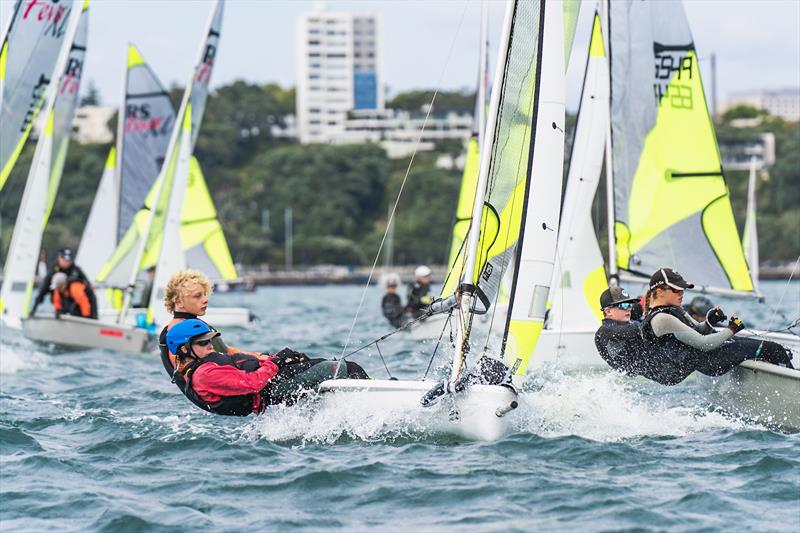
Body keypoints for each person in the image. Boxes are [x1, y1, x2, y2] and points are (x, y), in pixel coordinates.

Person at [165, 319, 369, 416]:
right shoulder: (205, 375)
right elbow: (252, 383)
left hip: (274, 380)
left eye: (210, 340)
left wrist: (279, 359)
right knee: (335, 369)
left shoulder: (209, 361)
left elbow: (248, 367)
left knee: (344, 366)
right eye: (203, 343)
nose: (209, 345)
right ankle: (372, 399)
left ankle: (371, 389)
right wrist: (276, 362)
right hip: (270, 391)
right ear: (184, 349)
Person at [638, 268, 793, 385]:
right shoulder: (661, 318)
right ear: (659, 291)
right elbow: (704, 343)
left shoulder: (673, 309)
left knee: (768, 348)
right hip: (709, 360)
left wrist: (709, 322)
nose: (681, 293)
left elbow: (696, 331)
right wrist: (732, 329)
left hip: (706, 357)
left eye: (682, 289)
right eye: (676, 289)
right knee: (774, 349)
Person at [594, 286, 646, 375]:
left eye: (630, 305)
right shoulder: (605, 330)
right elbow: (628, 332)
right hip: (634, 381)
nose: (629, 309)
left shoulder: (629, 322)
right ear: (608, 311)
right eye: (624, 305)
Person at [31, 248, 97, 317]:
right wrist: (34, 307)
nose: (66, 262)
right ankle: (60, 312)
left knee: (79, 299)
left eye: (68, 260)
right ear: (59, 258)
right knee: (57, 293)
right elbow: (44, 290)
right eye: (64, 259)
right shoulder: (53, 272)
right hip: (65, 299)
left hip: (80, 300)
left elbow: (84, 298)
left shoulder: (76, 272)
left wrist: (86, 317)